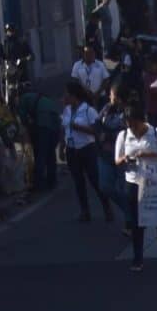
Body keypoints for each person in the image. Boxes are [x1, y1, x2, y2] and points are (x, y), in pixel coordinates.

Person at [115, 105, 157, 268]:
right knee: (136, 222)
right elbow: (117, 160)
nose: (133, 129)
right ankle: (138, 257)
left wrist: (148, 155)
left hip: (154, 183)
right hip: (133, 181)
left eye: (135, 124)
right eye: (129, 125)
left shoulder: (155, 133)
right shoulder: (123, 135)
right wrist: (127, 158)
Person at [62, 88, 106, 224]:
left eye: (67, 95)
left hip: (87, 149)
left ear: (75, 96)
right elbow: (63, 127)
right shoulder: (67, 110)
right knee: (78, 182)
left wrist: (78, 127)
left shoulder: (89, 111)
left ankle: (106, 207)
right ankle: (85, 211)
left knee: (95, 181)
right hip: (71, 149)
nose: (64, 98)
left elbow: (97, 132)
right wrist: (61, 146)